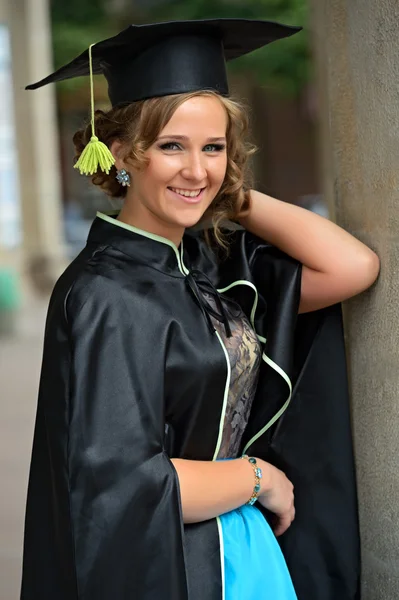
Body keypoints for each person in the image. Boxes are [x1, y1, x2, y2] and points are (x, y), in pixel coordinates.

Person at [21, 19, 379, 600]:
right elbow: (123, 485)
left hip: (240, 545)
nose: (195, 167)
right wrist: (257, 478)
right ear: (121, 153)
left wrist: (226, 190)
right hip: (178, 564)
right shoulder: (106, 295)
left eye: (213, 146)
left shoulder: (207, 266)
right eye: (171, 147)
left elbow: (352, 268)